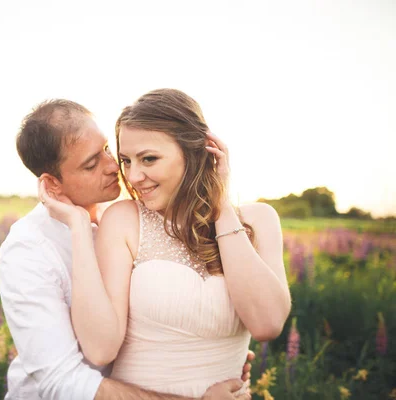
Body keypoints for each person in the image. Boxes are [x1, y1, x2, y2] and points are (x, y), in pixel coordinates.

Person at [39, 89, 291, 398]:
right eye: (126, 161)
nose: (133, 176)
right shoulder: (123, 220)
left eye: (149, 159)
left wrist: (221, 206)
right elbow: (100, 348)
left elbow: (267, 324)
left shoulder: (259, 220)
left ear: (196, 151)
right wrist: (79, 226)